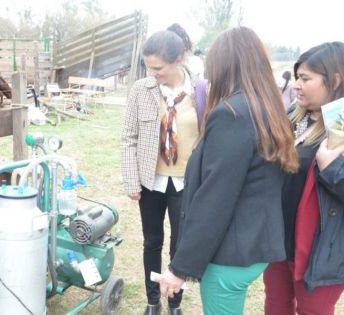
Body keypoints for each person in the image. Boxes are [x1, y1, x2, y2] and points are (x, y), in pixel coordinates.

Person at [156, 26, 298, 315]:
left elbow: (215, 199)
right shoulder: (266, 109)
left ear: (224, 67)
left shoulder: (231, 114)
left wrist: (179, 268)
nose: (208, 76)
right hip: (255, 242)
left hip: (231, 254)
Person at [120, 24, 207, 315]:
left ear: (178, 60)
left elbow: (209, 137)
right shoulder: (141, 90)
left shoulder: (201, 90)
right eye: (148, 67)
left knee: (179, 245)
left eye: (158, 68)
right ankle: (153, 301)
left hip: (187, 182)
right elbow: (128, 137)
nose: (152, 73)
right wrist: (132, 180)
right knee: (152, 241)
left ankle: (175, 303)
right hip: (151, 181)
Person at [263, 42, 344, 315]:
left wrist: (332, 168)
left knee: (313, 311)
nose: (296, 85)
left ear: (335, 80)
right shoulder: (294, 117)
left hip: (321, 247)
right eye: (296, 77)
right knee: (276, 303)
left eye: (305, 78)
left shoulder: (340, 126)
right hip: (279, 237)